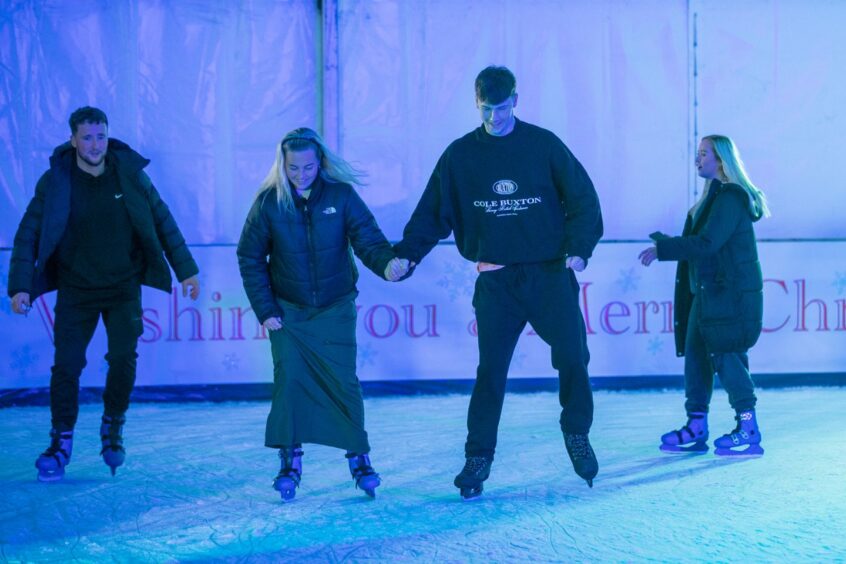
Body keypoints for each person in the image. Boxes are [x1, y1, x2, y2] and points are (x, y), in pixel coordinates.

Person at [394, 66, 604, 499]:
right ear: (476, 103)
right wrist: (406, 255)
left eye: (502, 107)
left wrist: (579, 248)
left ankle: (576, 432)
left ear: (516, 99)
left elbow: (583, 199)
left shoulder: (543, 145)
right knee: (491, 372)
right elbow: (433, 215)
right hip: (496, 282)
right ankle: (478, 457)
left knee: (573, 356)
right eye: (487, 109)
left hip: (549, 275)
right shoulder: (460, 156)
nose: (494, 117)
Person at [8, 106, 200, 481]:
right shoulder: (56, 180)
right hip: (76, 290)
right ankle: (60, 441)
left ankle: (113, 426)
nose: (95, 145)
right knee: (67, 365)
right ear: (73, 140)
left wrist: (187, 270)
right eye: (87, 137)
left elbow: (163, 219)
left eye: (101, 136)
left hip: (122, 288)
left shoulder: (129, 175)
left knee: (124, 359)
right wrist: (19, 286)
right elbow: (28, 232)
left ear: (107, 135)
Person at [237, 127, 408, 501]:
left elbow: (369, 240)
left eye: (309, 167)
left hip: (334, 308)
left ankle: (359, 457)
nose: (301, 175)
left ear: (321, 162)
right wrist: (265, 310)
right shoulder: (270, 202)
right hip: (288, 313)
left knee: (343, 382)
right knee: (290, 381)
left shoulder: (342, 196)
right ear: (283, 165)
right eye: (294, 168)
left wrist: (388, 265)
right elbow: (249, 257)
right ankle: (290, 460)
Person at [639, 134, 769, 457]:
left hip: (730, 296)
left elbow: (709, 244)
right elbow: (702, 243)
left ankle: (748, 427)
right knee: (696, 357)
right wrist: (669, 242)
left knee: (727, 357)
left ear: (721, 161)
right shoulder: (711, 198)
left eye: (704, 154)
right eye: (697, 153)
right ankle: (696, 425)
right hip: (706, 295)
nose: (698, 159)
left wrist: (663, 249)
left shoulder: (731, 198)